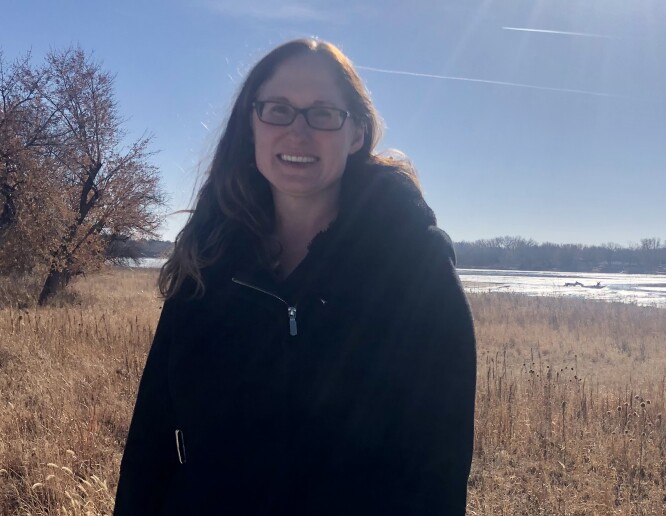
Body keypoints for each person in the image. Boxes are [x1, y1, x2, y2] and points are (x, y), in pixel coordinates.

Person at [114, 38, 477, 515]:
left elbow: (440, 464)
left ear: (356, 134)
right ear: (252, 124)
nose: (298, 133)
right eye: (278, 110)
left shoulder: (413, 263)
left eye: (323, 113)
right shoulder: (209, 258)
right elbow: (151, 441)